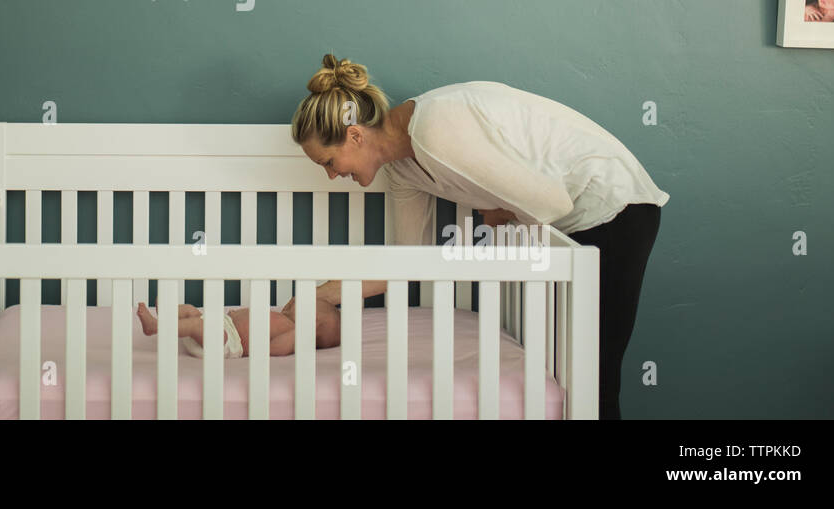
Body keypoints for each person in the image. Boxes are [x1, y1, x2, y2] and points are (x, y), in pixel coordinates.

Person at [286, 53, 668, 420]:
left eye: (329, 163)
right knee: (566, 376)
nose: (332, 176)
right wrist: (320, 294)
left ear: (354, 136)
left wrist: (503, 211)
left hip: (614, 206)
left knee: (594, 380)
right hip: (573, 230)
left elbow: (553, 201)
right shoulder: (401, 169)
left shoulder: (435, 129)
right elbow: (407, 262)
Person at [134, 298, 341, 357]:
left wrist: (298, 333)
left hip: (226, 343)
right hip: (223, 324)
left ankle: (156, 326)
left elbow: (274, 349)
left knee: (197, 325)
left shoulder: (292, 333)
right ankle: (171, 314)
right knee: (192, 311)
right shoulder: (283, 317)